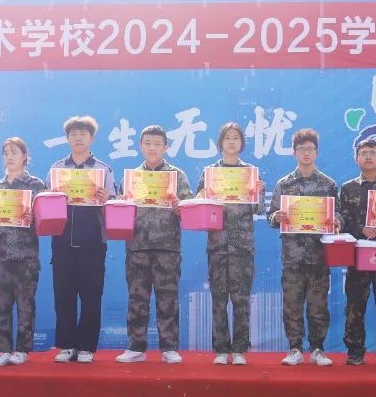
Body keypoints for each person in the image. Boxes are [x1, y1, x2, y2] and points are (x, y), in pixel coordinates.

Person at [114, 125, 194, 364]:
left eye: (158, 144)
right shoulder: (130, 178)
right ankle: (135, 347)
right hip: (136, 246)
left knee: (167, 298)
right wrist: (121, 203)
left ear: (166, 147)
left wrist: (180, 206)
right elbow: (120, 213)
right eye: (148, 143)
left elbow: (189, 210)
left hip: (167, 247)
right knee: (136, 298)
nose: (152, 148)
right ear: (141, 146)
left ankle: (169, 348)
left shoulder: (177, 176)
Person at [267, 128, 341, 367]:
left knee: (318, 306)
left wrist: (337, 221)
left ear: (317, 152)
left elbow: (339, 214)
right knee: (292, 305)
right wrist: (276, 217)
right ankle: (295, 348)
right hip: (293, 256)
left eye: (310, 149)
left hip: (320, 256)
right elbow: (271, 216)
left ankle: (318, 349)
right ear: (294, 153)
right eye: (302, 149)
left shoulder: (329, 184)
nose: (306, 153)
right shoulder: (284, 184)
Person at [193, 122, 264, 365]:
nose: (232, 142)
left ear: (242, 143)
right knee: (219, 299)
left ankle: (240, 350)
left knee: (241, 300)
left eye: (236, 138)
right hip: (217, 245)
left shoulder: (251, 172)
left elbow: (257, 209)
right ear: (220, 143)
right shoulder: (209, 172)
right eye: (227, 138)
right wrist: (203, 195)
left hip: (242, 246)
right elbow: (198, 205)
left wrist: (258, 191)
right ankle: (221, 350)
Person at [48, 116, 115, 364]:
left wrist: (108, 197)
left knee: (91, 296)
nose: (78, 138)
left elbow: (115, 206)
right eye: (73, 134)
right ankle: (67, 345)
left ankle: (86, 347)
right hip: (62, 241)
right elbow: (44, 204)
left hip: (93, 242)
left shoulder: (103, 169)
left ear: (92, 138)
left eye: (83, 134)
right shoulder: (56, 169)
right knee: (63, 294)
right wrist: (52, 197)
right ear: (67, 139)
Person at [337, 139, 376, 367]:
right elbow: (340, 220)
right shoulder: (347, 188)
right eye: (363, 153)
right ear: (356, 158)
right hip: (357, 252)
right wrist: (360, 228)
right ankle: (355, 351)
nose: (368, 156)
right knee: (355, 304)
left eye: (372, 153)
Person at [0, 137, 47, 367]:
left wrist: (36, 217)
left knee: (25, 304)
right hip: (0, 256)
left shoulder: (36, 185)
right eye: (6, 153)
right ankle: (3, 349)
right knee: (1, 305)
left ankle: (22, 349)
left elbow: (47, 221)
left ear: (24, 156)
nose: (10, 157)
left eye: (14, 152)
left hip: (26, 256)